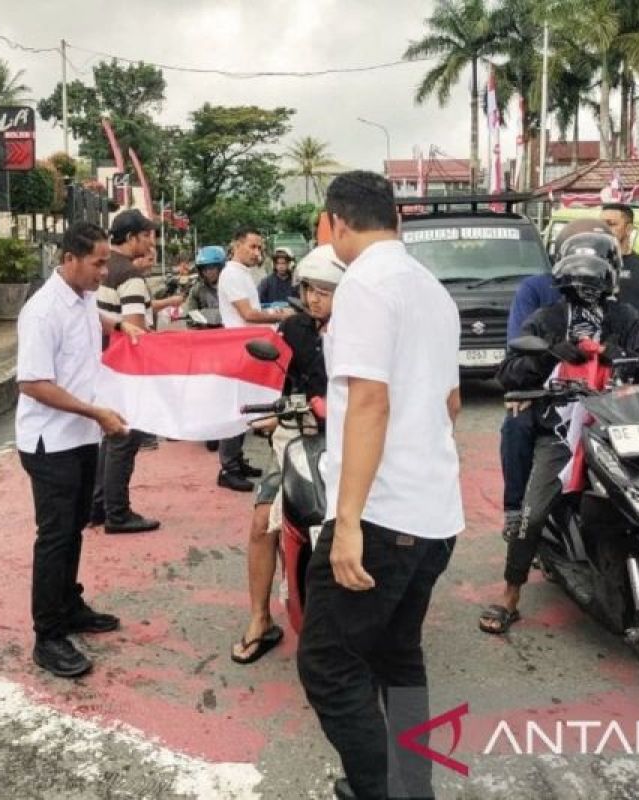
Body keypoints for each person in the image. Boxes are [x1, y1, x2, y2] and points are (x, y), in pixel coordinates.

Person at [297, 171, 463, 800]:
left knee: (327, 664)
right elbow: (450, 403)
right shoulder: (431, 289)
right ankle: (412, 785)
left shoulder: (365, 286)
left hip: (382, 515)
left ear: (335, 222)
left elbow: (369, 401)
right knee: (398, 655)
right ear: (394, 218)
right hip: (434, 512)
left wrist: (346, 524)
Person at [479, 254, 639, 638]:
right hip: (561, 432)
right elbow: (508, 372)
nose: (586, 295)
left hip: (621, 428)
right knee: (531, 514)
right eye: (578, 289)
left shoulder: (625, 317)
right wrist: (548, 356)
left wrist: (620, 357)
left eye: (593, 288)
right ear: (563, 287)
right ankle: (511, 594)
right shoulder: (545, 320)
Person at [15, 221, 145, 679]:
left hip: (81, 436)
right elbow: (33, 383)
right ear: (69, 259)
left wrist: (119, 323)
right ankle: (47, 635)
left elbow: (93, 319)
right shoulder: (42, 311)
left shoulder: (83, 295)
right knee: (55, 537)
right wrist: (95, 412)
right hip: (50, 444)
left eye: (106, 262)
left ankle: (69, 606)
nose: (104, 272)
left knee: (74, 529)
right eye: (98, 263)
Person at [231, 245, 342, 666]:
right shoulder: (294, 329)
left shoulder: (363, 331)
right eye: (309, 289)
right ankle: (261, 619)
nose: (314, 299)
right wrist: (274, 414)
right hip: (297, 439)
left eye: (325, 291)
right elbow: (272, 382)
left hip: (352, 442)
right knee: (263, 521)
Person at [499, 218, 608, 540]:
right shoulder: (535, 291)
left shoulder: (617, 303)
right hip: (548, 392)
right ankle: (516, 510)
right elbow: (518, 347)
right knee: (517, 425)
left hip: (606, 393)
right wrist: (530, 378)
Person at [90, 210, 163, 533]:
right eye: (146, 237)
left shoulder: (104, 270)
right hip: (125, 367)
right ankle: (117, 513)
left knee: (109, 435)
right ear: (131, 238)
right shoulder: (130, 276)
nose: (150, 244)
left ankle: (98, 506)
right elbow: (135, 330)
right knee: (124, 437)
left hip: (104, 363)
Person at [216, 226, 295, 491]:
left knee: (246, 404)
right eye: (252, 246)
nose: (257, 252)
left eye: (260, 247)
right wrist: (281, 315)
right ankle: (228, 468)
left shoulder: (244, 274)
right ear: (236, 245)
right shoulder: (231, 274)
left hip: (251, 346)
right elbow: (248, 314)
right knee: (236, 406)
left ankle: (237, 460)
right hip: (239, 346)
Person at [600, 203, 639, 324]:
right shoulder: (594, 263)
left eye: (611, 224)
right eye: (601, 224)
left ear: (629, 229)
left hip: (635, 334)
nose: (604, 229)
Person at [183, 245, 225, 321]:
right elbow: (190, 315)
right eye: (204, 269)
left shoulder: (231, 287)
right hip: (205, 327)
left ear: (220, 268)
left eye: (211, 268)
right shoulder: (197, 290)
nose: (208, 272)